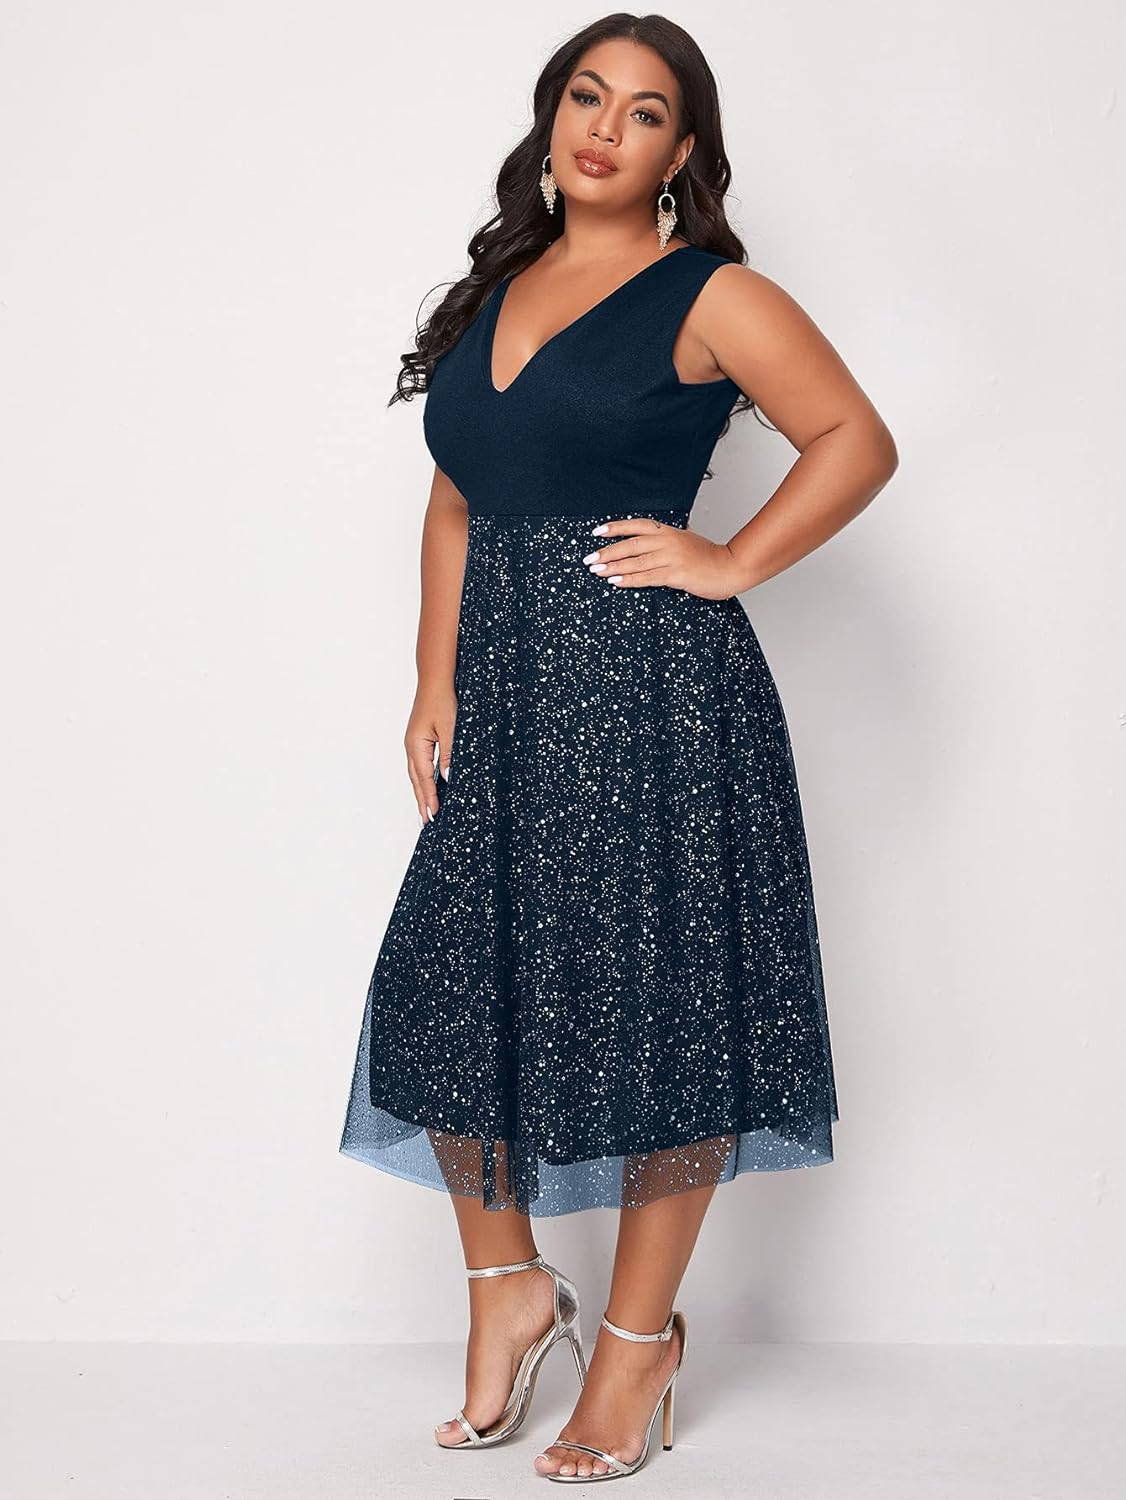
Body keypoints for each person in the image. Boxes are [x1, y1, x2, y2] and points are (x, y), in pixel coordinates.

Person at [339, 13, 897, 1484]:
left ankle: (637, 1348)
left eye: (644, 112)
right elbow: (457, 497)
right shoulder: (495, 291)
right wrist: (431, 679)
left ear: (681, 151)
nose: (604, 127)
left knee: (667, 1009)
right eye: (585, 96)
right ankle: (508, 1290)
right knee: (450, 988)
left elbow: (854, 438)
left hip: (655, 692)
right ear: (550, 118)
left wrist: (731, 560)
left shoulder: (713, 295)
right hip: (506, 700)